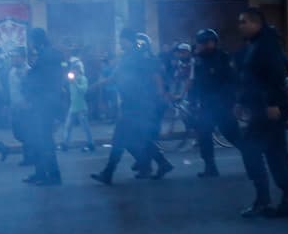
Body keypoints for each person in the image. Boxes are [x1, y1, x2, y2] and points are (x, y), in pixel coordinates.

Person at [235, 8, 288, 219]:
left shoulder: (267, 44)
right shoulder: (254, 45)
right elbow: (250, 77)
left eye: (244, 21)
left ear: (256, 23)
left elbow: (275, 75)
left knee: (270, 153)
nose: (240, 26)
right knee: (266, 152)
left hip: (270, 108)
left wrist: (272, 103)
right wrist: (241, 102)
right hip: (259, 107)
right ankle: (272, 200)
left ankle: (276, 200)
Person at [91, 29, 173, 186]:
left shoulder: (139, 56)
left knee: (119, 139)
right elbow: (116, 76)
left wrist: (161, 93)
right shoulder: (128, 57)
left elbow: (155, 75)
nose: (120, 43)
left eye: (121, 40)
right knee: (138, 139)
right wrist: (98, 85)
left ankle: (108, 173)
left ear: (128, 40)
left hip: (139, 104)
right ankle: (162, 164)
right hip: (131, 103)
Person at [190, 29, 240, 177]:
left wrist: (230, 102)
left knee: (231, 134)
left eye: (202, 43)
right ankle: (210, 167)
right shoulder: (198, 60)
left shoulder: (223, 58)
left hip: (223, 105)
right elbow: (195, 83)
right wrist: (193, 101)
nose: (199, 46)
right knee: (204, 135)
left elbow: (232, 81)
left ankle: (252, 157)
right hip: (206, 105)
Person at [21, 28, 63, 186]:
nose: (30, 43)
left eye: (31, 40)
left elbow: (40, 80)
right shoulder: (47, 54)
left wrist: (27, 81)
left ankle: (52, 175)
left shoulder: (45, 56)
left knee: (44, 140)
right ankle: (40, 173)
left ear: (36, 40)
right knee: (38, 139)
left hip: (44, 104)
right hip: (45, 102)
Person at [59, 57, 95, 153]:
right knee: (68, 126)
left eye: (74, 68)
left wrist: (74, 82)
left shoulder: (83, 79)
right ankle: (65, 144)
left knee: (85, 127)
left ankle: (91, 144)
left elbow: (83, 90)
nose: (73, 70)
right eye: (72, 68)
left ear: (79, 69)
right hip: (73, 107)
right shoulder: (72, 80)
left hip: (81, 107)